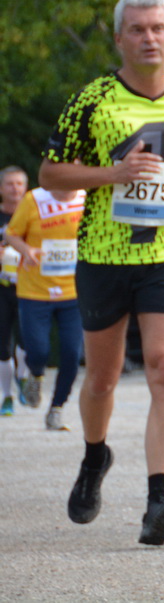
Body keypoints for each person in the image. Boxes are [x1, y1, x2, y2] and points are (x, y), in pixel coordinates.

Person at [40, 0, 164, 546]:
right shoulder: (93, 99)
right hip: (103, 254)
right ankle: (95, 459)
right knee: (102, 378)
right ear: (119, 38)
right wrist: (111, 176)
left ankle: (157, 501)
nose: (149, 38)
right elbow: (49, 173)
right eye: (137, 29)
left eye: (158, 28)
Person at [4, 179, 86, 428]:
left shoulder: (87, 197)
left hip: (73, 290)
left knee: (72, 354)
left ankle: (56, 408)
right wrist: (26, 250)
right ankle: (36, 375)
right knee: (38, 350)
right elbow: (11, 234)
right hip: (35, 291)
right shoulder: (34, 199)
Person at [0, 164, 27, 416]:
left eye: (19, 183)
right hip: (2, 288)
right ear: (1, 189)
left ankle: (22, 377)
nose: (15, 188)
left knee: (28, 341)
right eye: (10, 183)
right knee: (2, 347)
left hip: (29, 287)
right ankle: (6, 397)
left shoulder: (35, 215)